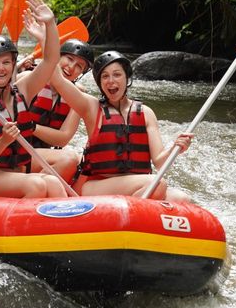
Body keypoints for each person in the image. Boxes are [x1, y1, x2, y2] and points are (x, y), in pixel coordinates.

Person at [0, 0, 70, 198]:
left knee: (53, 182)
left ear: (13, 65)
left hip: (16, 175)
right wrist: (3, 141)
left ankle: (70, 228)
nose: (0, 68)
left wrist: (49, 24)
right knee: (36, 185)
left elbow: (51, 60)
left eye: (6, 62)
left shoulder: (23, 90)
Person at [49, 50, 193, 201]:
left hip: (137, 185)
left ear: (127, 77)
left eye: (117, 74)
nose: (111, 81)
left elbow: (159, 162)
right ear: (99, 83)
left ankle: (133, 215)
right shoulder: (91, 107)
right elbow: (57, 78)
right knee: (156, 184)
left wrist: (177, 147)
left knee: (181, 199)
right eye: (105, 76)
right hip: (96, 184)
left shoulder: (146, 113)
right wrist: (46, 39)